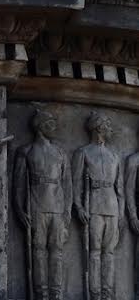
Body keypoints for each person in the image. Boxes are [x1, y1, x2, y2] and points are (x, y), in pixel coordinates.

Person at [13, 110, 72, 300]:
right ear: (39, 125)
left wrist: (67, 212)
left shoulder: (61, 152)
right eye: (50, 122)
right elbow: (19, 184)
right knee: (38, 251)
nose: (54, 126)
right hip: (36, 206)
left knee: (57, 251)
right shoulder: (26, 151)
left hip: (57, 207)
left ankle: (56, 293)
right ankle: (41, 293)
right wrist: (19, 208)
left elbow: (67, 185)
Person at [72, 112, 124, 300]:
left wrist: (122, 215)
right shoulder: (83, 152)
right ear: (99, 128)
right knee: (94, 252)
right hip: (93, 206)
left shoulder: (114, 156)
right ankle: (95, 294)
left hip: (112, 207)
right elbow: (76, 183)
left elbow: (120, 189)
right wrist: (78, 206)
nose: (111, 129)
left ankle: (107, 294)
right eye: (108, 126)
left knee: (109, 252)